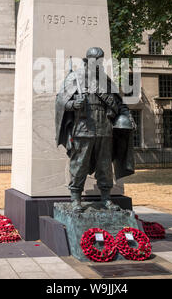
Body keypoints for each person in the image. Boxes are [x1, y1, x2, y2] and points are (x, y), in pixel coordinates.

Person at [55, 47, 135, 212]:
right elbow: (60, 101)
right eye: (94, 61)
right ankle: (76, 199)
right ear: (87, 61)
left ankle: (106, 198)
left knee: (105, 166)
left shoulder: (106, 81)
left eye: (100, 61)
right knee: (79, 165)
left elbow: (119, 104)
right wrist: (73, 104)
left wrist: (129, 117)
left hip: (104, 129)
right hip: (83, 128)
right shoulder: (74, 78)